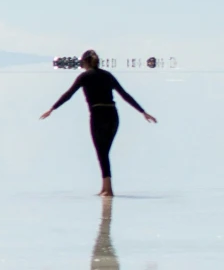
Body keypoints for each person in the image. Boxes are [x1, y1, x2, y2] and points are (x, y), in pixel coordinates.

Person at [42, 49, 157, 197]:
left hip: (98, 115)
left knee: (101, 152)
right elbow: (124, 94)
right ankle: (105, 188)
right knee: (104, 152)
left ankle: (108, 189)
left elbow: (68, 95)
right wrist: (142, 112)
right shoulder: (107, 75)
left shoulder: (84, 77)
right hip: (113, 115)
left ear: (84, 62)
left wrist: (52, 108)